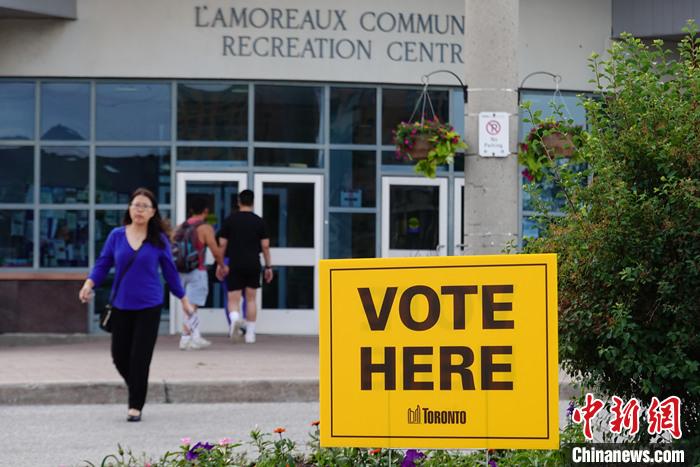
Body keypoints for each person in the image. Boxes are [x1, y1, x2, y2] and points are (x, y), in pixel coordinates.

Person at [78, 187, 195, 422]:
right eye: (135, 205)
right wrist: (89, 284)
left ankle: (135, 405)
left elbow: (171, 273)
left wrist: (183, 300)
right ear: (129, 209)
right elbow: (103, 263)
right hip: (121, 305)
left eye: (145, 206)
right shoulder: (116, 236)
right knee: (119, 355)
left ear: (153, 213)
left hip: (149, 306)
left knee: (140, 357)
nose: (139, 209)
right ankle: (138, 387)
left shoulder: (158, 240)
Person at [217, 189, 273, 344]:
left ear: (238, 202)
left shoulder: (230, 220)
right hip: (253, 263)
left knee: (233, 299)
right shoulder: (259, 222)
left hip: (234, 263)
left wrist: (221, 264)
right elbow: (266, 246)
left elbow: (222, 245)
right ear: (253, 202)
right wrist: (268, 266)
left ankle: (235, 319)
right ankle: (250, 334)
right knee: (251, 299)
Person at [175, 196, 228, 350]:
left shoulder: (180, 227)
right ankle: (185, 339)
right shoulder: (205, 228)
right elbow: (215, 251)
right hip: (197, 270)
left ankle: (195, 336)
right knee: (192, 306)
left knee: (188, 305)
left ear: (191, 211)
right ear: (206, 211)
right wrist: (222, 265)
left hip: (180, 270)